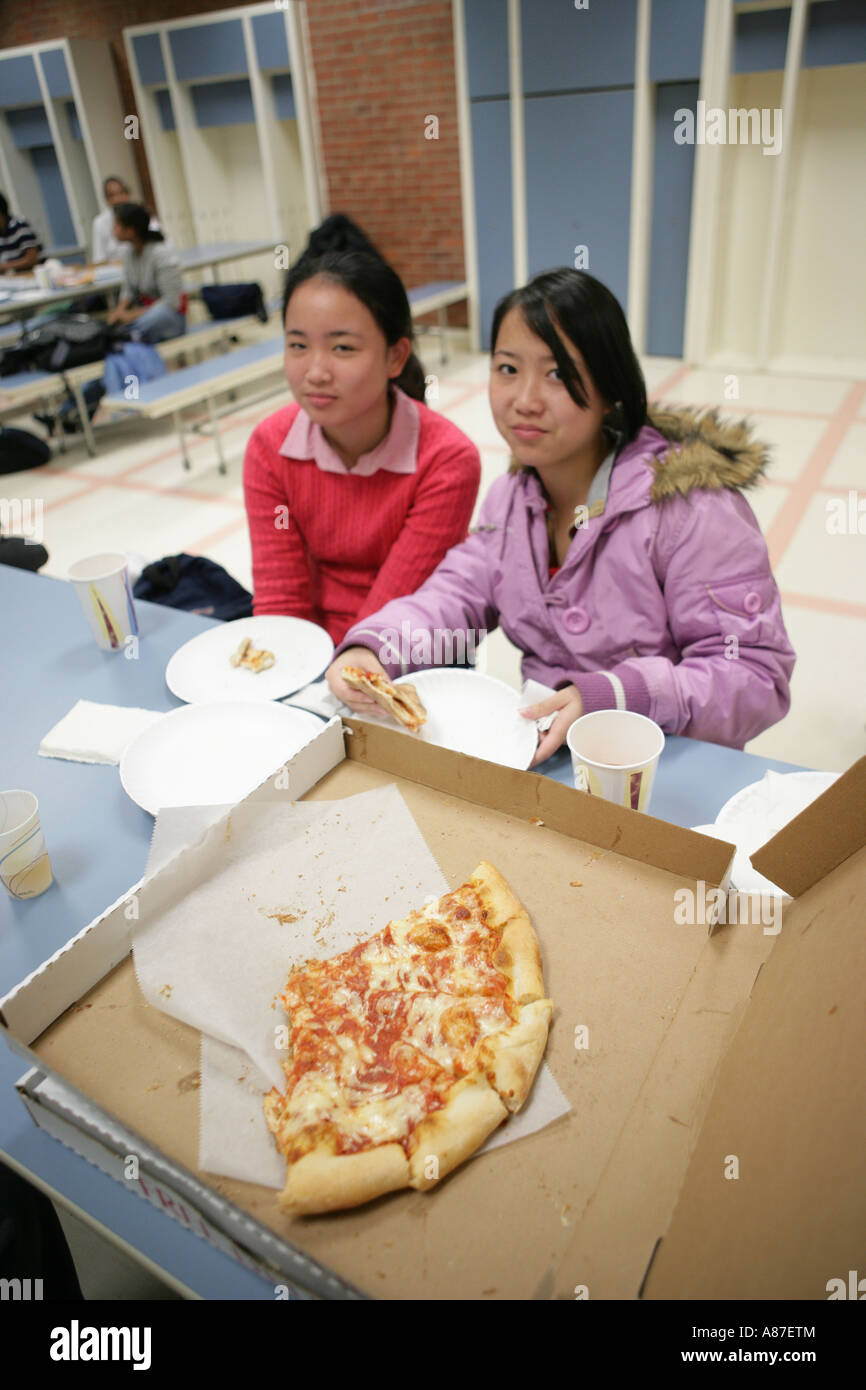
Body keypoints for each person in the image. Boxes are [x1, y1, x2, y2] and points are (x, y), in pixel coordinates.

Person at [327, 268, 796, 757]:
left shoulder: (693, 509)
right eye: (507, 369)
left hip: (667, 761)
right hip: (551, 756)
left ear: (612, 387)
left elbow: (756, 677)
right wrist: (376, 649)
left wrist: (621, 697)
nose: (525, 401)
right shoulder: (511, 497)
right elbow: (456, 595)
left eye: (557, 374)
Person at [242, 242, 481, 645]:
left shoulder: (446, 460)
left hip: (406, 647)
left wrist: (337, 677)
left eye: (342, 348)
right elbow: (281, 599)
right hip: (310, 651)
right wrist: (287, 669)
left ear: (395, 356)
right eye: (298, 345)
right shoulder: (270, 448)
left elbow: (395, 605)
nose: (315, 372)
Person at [106, 202, 185, 344]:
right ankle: (127, 334)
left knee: (155, 317)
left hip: (169, 318)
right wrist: (120, 312)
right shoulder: (129, 253)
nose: (114, 230)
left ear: (130, 230)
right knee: (115, 322)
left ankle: (127, 334)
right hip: (144, 314)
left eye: (117, 225)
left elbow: (171, 302)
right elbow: (128, 288)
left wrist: (131, 316)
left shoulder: (161, 254)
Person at [90, 176, 162, 265]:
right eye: (111, 195)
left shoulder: (143, 213)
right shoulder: (100, 222)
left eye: (121, 193)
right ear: (106, 199)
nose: (117, 199)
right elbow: (99, 259)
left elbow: (160, 242)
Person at [0, 192, 41, 273]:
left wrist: (4, 267)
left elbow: (32, 259)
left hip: (31, 275)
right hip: (13, 278)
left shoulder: (19, 226)